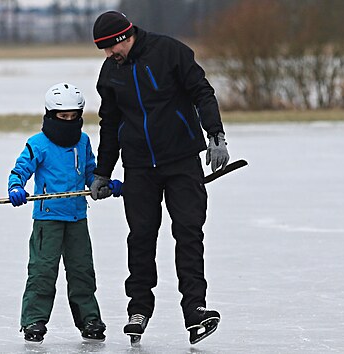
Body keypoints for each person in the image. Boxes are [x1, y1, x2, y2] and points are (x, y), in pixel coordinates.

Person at [89, 11, 230, 345]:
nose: (109, 55)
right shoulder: (111, 73)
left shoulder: (169, 52)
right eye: (104, 51)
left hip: (181, 161)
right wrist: (102, 172)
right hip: (138, 167)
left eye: (111, 47)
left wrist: (216, 135)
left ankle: (195, 309)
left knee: (188, 232)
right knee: (140, 237)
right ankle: (138, 308)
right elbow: (109, 125)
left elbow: (202, 93)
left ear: (125, 37)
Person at [8, 82, 122, 345]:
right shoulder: (38, 144)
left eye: (74, 116)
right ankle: (34, 320)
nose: (69, 121)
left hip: (76, 219)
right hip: (47, 220)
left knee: (82, 271)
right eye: (63, 116)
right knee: (42, 271)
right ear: (50, 115)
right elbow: (20, 169)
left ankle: (90, 320)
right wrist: (16, 187)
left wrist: (102, 184)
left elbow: (91, 172)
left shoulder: (82, 142)